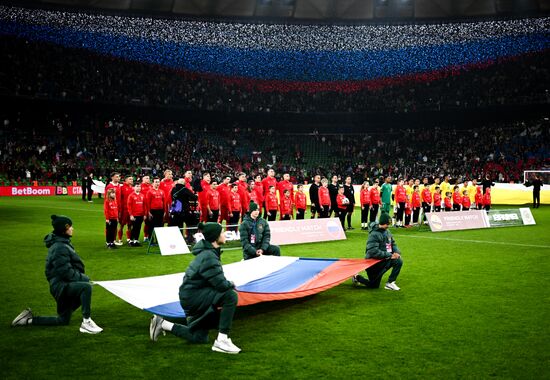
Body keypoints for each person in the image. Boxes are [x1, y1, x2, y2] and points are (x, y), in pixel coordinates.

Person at [149, 222, 241, 354]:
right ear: (215, 237)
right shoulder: (209, 256)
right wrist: (231, 284)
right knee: (230, 295)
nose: (224, 234)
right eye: (221, 232)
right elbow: (221, 285)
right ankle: (222, 340)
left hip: (191, 296)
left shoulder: (208, 253)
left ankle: (162, 324)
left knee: (199, 337)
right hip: (194, 297)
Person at [12, 215, 102, 334]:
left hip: (61, 284)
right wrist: (85, 278)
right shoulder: (59, 247)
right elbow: (65, 272)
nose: (72, 229)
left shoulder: (62, 243)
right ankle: (86, 322)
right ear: (63, 229)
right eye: (70, 226)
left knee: (62, 320)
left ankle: (27, 320)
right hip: (61, 286)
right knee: (86, 287)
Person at [352, 212, 403, 291]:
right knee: (373, 285)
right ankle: (356, 277)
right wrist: (389, 255)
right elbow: (373, 251)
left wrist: (396, 252)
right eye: (387, 224)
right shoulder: (374, 234)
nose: (388, 226)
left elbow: (393, 243)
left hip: (383, 260)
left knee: (398, 260)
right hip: (373, 264)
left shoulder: (387, 231)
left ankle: (390, 283)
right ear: (382, 223)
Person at [127, 182, 145, 246]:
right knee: (134, 228)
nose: (139, 188)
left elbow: (144, 206)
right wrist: (131, 215)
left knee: (138, 228)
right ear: (134, 187)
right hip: (134, 215)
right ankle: (131, 240)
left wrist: (144, 214)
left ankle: (136, 240)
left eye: (139, 186)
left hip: (141, 215)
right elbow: (129, 206)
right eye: (137, 186)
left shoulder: (142, 195)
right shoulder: (131, 195)